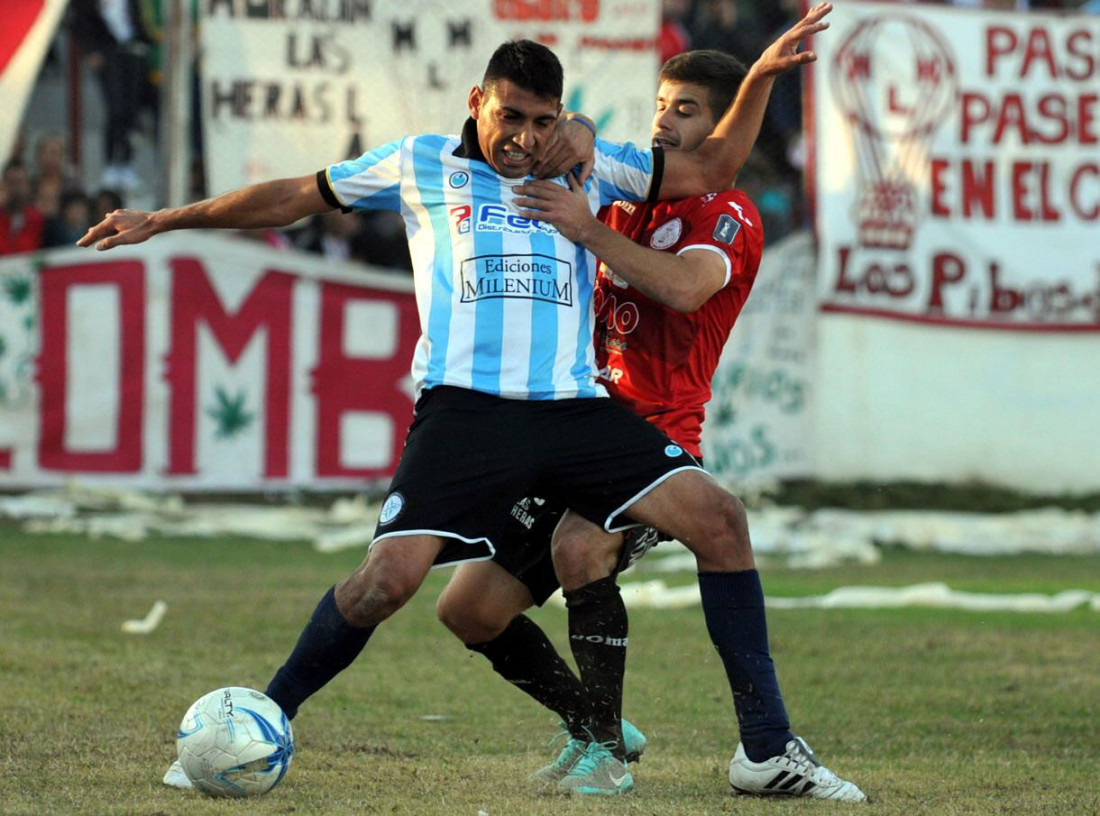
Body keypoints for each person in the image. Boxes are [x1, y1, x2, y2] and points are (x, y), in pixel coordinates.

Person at [79, 5, 832, 796]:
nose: (526, 139)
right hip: (466, 413)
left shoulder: (586, 164)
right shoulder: (420, 164)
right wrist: (163, 219)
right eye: (511, 118)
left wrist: (756, 79)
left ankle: (763, 749)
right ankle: (262, 719)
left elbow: (711, 170)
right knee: (388, 584)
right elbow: (290, 199)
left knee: (718, 516)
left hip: (573, 409)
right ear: (477, 100)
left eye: (544, 122)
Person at [435, 47, 866, 801]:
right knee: (467, 609)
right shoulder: (625, 195)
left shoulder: (727, 213)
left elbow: (683, 288)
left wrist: (587, 229)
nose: (665, 121)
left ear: (723, 123)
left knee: (584, 545)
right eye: (662, 104)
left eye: (687, 109)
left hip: (652, 439)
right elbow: (547, 147)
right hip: (571, 430)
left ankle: (717, 748)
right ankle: (591, 723)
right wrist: (577, 130)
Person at [0, 161, 46, 256]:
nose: (16, 189)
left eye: (20, 183)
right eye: (11, 183)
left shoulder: (38, 219)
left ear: (27, 186)